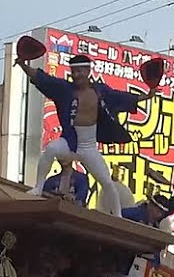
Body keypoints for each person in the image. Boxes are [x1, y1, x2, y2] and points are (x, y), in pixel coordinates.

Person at [17, 53, 158, 216]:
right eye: (73, 71)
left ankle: (118, 215)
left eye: (79, 71)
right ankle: (38, 187)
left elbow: (122, 97)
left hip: (89, 146)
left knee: (107, 182)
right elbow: (43, 78)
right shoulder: (65, 89)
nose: (76, 75)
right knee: (51, 149)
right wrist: (23, 65)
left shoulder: (100, 91)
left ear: (88, 70)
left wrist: (148, 95)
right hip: (70, 142)